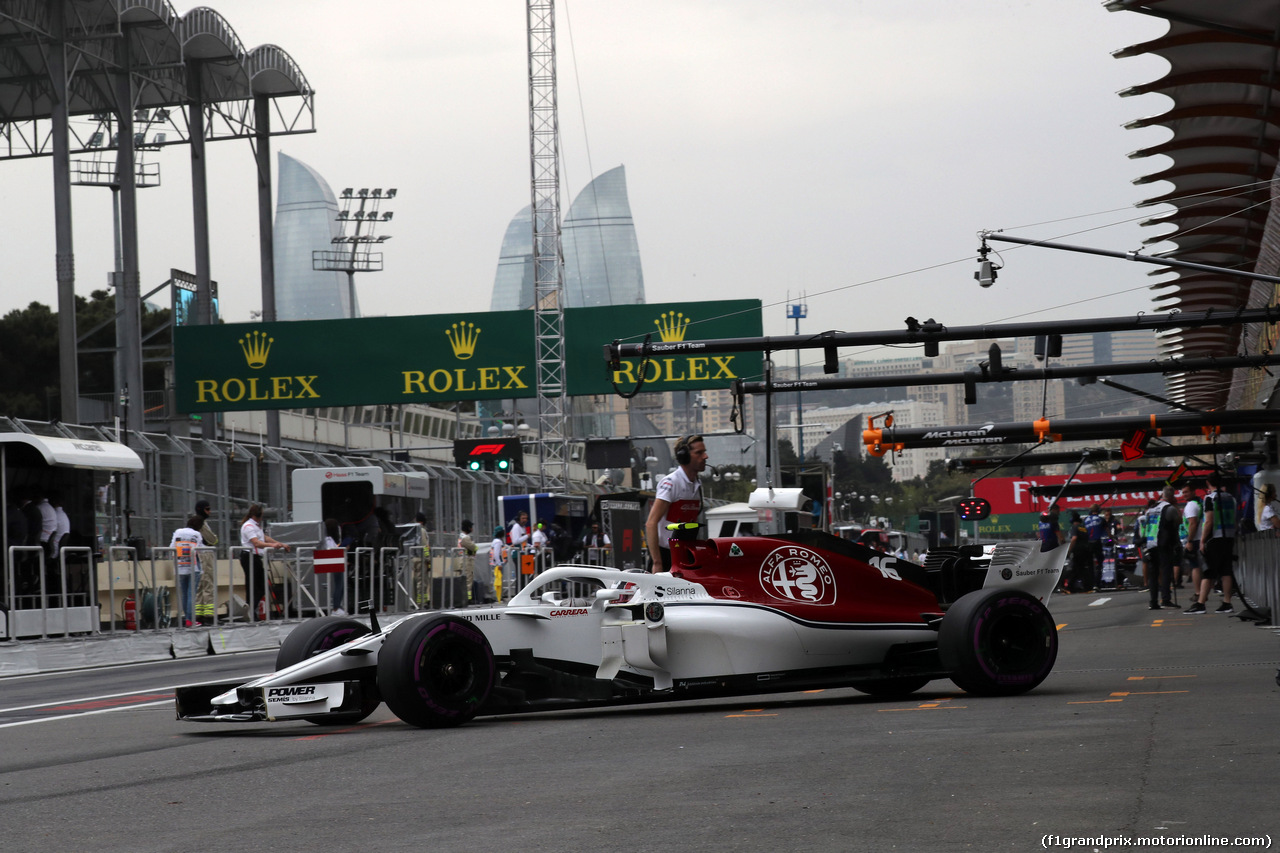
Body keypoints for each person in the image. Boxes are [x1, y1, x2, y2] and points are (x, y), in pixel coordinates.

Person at [645, 434, 707, 572]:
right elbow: (651, 523)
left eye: (704, 452)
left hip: (684, 554)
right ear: (684, 456)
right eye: (699, 453)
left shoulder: (696, 484)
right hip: (666, 556)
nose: (705, 456)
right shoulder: (671, 483)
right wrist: (657, 562)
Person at [1186, 471, 1237, 615]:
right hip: (1229, 537)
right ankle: (1227, 603)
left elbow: (1208, 521)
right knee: (1226, 570)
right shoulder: (1231, 498)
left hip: (1214, 538)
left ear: (1208, 484)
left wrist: (1202, 540)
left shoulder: (1210, 498)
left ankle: (1200, 603)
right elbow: (1235, 519)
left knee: (1208, 571)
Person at [239, 504, 290, 621]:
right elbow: (256, 543)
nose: (261, 518)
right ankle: (251, 610)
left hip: (255, 557)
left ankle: (252, 610)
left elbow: (264, 538)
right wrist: (273, 545)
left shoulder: (255, 526)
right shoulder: (248, 526)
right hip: (249, 557)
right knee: (254, 585)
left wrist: (280, 544)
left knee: (259, 586)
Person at [1145, 486, 1181, 611]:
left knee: (1153, 574)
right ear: (1172, 496)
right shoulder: (1169, 508)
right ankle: (1166, 599)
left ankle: (1153, 601)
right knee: (1166, 571)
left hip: (1150, 543)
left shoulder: (1151, 509)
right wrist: (1176, 505)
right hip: (1163, 543)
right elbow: (1179, 521)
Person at [170, 515, 204, 628]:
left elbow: (171, 547)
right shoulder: (197, 534)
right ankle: (191, 619)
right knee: (191, 593)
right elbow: (200, 550)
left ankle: (187, 618)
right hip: (193, 566)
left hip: (179, 565)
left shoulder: (177, 532)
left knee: (184, 593)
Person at [193, 500, 218, 624]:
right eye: (207, 509)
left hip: (197, 555)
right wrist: (214, 538)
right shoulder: (201, 523)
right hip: (205, 555)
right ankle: (208, 615)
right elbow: (212, 540)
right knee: (208, 584)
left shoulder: (193, 522)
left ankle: (198, 614)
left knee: (199, 585)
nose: (209, 512)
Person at [1179, 484, 1202, 593]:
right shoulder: (1199, 503)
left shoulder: (1191, 505)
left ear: (1193, 491)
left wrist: (1190, 541)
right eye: (1183, 492)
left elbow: (1193, 523)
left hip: (1195, 539)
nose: (1184, 495)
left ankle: (1198, 592)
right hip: (1201, 538)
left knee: (1195, 567)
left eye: (1186, 492)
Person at [322, 517, 345, 616]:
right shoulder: (329, 540)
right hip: (334, 563)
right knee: (339, 585)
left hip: (336, 562)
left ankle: (338, 606)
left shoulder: (326, 539)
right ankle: (336, 607)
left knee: (340, 585)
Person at [458, 519, 484, 604]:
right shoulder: (465, 538)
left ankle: (466, 597)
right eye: (471, 527)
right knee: (468, 579)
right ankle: (468, 599)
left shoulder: (461, 536)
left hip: (464, 559)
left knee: (466, 579)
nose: (472, 529)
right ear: (468, 528)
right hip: (467, 560)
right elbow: (474, 548)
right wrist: (474, 548)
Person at [1066, 511, 1092, 592]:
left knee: (1076, 569)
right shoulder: (1084, 528)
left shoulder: (1074, 527)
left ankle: (1070, 588)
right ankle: (1085, 587)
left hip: (1078, 551)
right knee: (1080, 569)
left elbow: (1074, 538)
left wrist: (1069, 551)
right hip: (1086, 551)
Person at [1083, 504, 1106, 589]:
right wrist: (1113, 539)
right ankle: (1097, 583)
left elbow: (1083, 532)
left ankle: (1091, 583)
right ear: (1099, 511)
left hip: (1088, 543)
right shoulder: (1101, 519)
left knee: (1090, 564)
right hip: (1097, 543)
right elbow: (1108, 533)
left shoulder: (1085, 520)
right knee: (1100, 563)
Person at [489, 525, 506, 603]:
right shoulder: (498, 542)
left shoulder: (495, 541)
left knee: (496, 580)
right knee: (498, 581)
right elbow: (496, 553)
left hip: (494, 564)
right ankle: (497, 598)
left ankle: (498, 597)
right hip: (497, 565)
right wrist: (499, 563)